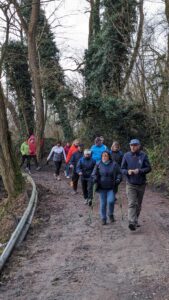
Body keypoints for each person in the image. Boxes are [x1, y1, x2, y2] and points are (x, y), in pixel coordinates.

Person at [121, 139, 151, 231]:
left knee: (138, 205)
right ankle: (132, 222)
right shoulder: (126, 155)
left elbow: (149, 168)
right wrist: (127, 171)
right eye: (131, 145)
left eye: (134, 145)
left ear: (139, 146)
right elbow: (122, 169)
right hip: (130, 184)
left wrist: (140, 171)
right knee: (132, 203)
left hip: (141, 184)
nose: (132, 147)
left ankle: (135, 220)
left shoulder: (143, 155)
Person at [92, 151, 122, 225]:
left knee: (111, 201)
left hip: (111, 187)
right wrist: (95, 178)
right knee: (103, 203)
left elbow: (119, 173)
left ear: (109, 156)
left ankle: (110, 214)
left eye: (106, 156)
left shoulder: (114, 164)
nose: (104, 157)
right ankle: (103, 218)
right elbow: (93, 174)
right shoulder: (98, 164)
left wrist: (118, 179)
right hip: (101, 187)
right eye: (103, 156)